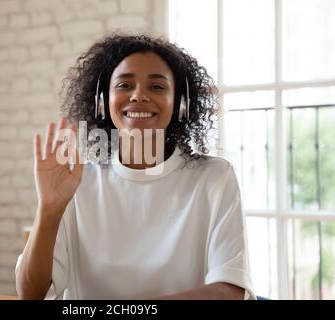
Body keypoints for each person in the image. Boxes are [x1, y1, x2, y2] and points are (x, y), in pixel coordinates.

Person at [15, 34, 255, 300]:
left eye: (156, 87)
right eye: (125, 85)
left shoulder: (214, 178)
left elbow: (230, 291)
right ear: (102, 102)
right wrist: (49, 208)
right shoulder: (77, 181)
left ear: (180, 103)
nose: (139, 95)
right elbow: (30, 294)